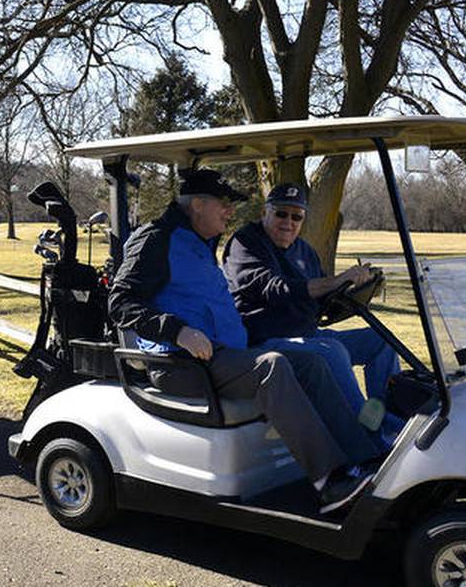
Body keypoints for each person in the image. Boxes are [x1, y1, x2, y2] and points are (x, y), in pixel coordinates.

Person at [109, 169, 384, 514]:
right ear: (197, 204)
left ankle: (365, 462)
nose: (230, 213)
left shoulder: (197, 240)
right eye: (223, 205)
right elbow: (120, 303)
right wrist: (176, 330)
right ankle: (328, 482)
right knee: (272, 366)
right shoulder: (156, 239)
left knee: (314, 361)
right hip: (181, 362)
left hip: (221, 356)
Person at [222, 183, 404, 441]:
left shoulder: (304, 251)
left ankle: (391, 424)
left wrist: (359, 290)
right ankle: (364, 439)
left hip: (308, 335)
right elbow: (275, 289)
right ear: (266, 212)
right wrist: (338, 280)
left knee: (380, 340)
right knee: (332, 350)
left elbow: (323, 300)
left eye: (297, 216)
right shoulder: (246, 243)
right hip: (264, 342)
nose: (289, 222)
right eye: (281, 214)